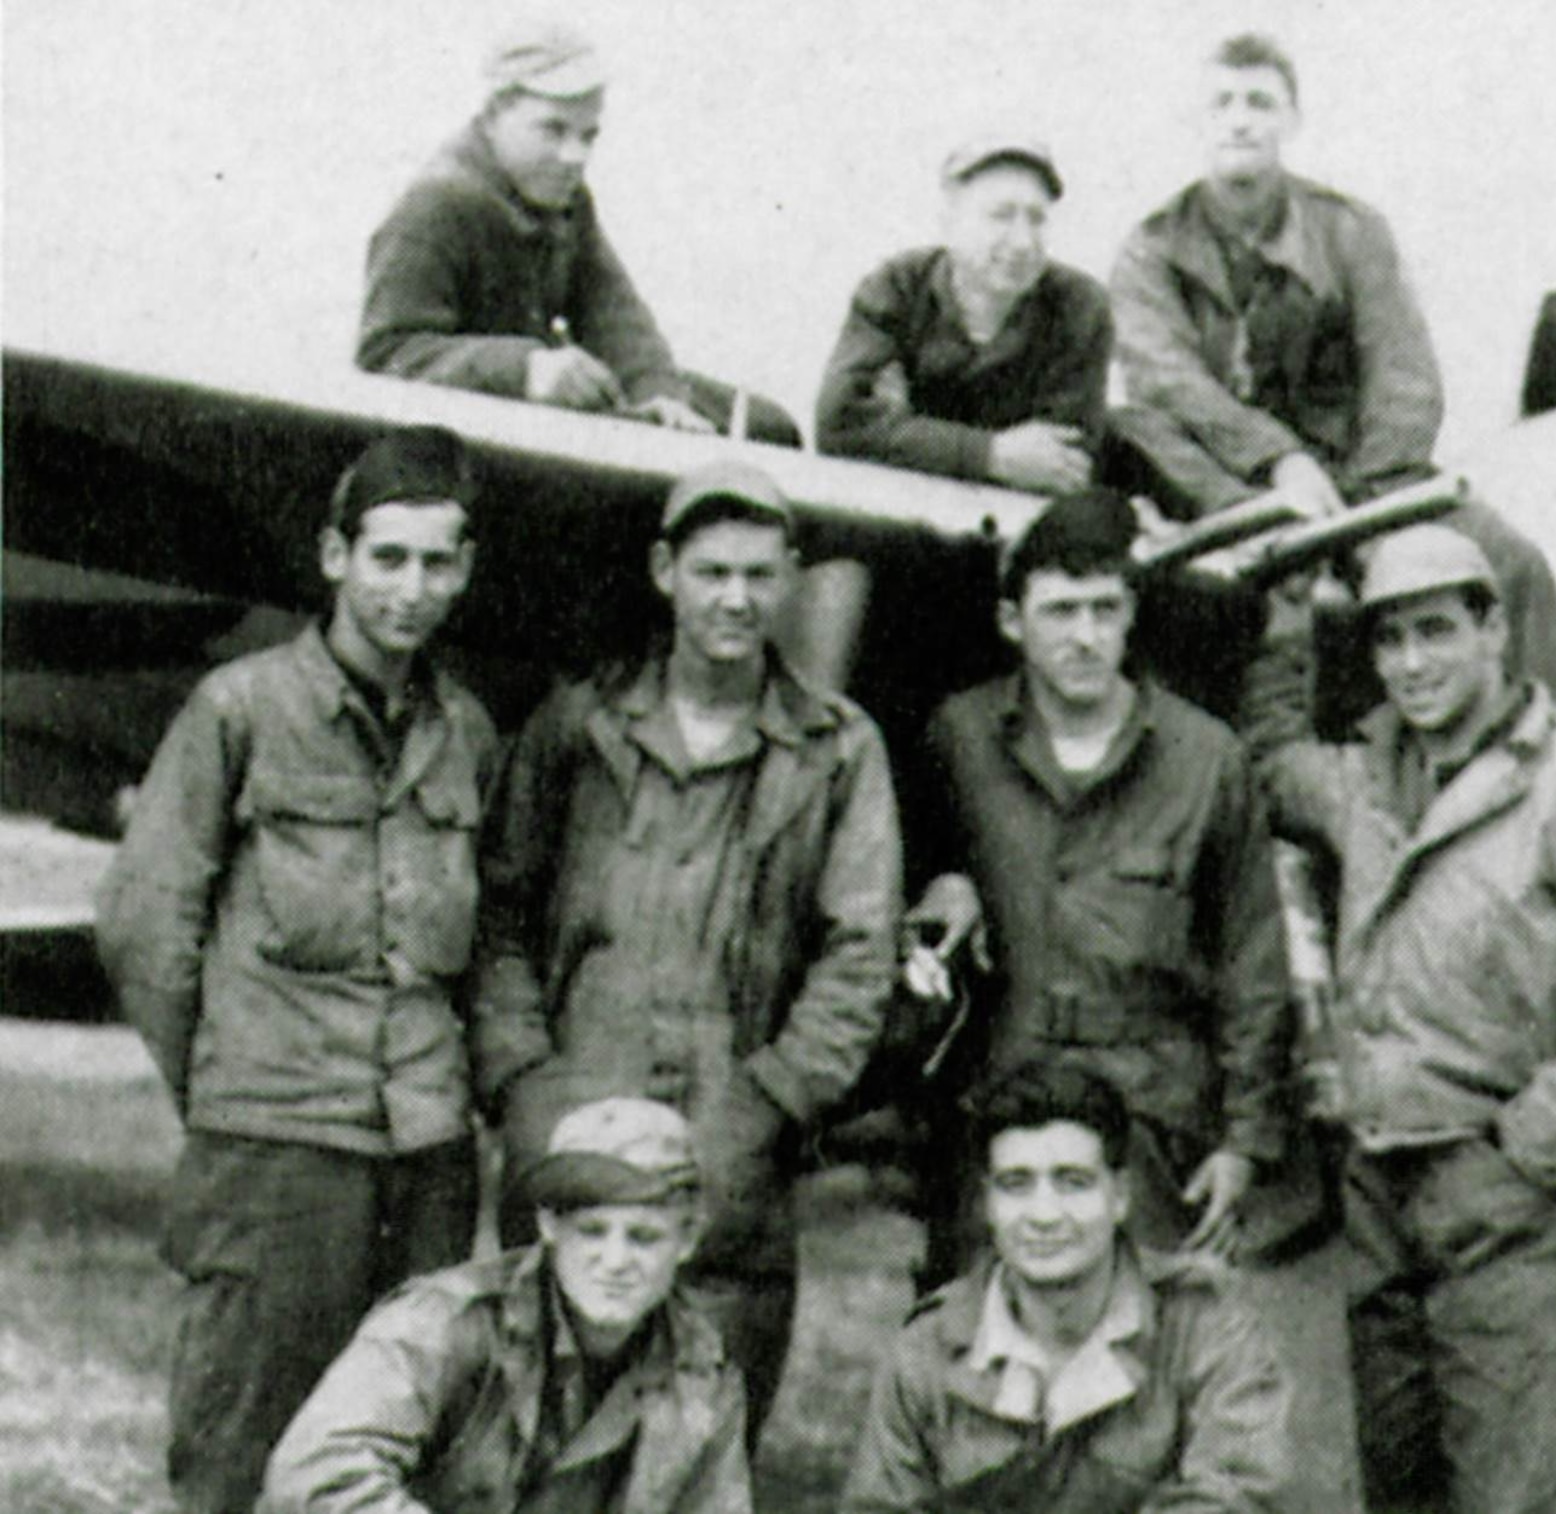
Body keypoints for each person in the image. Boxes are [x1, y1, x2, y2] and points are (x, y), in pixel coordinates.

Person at [1241, 523, 1556, 1513]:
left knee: (1507, 1497)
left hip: (1519, 1213)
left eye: (1434, 632)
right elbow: (1273, 761)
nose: (1408, 664)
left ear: (1493, 627)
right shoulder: (1362, 776)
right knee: (1395, 1485)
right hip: (1379, 1196)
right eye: (1387, 639)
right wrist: (1284, 628)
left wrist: (1521, 1151)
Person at [96, 427, 496, 1514]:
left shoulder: (465, 733)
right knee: (240, 1451)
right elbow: (145, 923)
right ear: (335, 555)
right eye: (388, 557)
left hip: (424, 1157)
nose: (412, 588)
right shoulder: (242, 708)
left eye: (438, 561)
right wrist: (230, 1086)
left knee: (402, 1453)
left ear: (463, 571)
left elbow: (476, 948)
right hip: (276, 1153)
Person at [471, 459, 901, 1444]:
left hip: (728, 1139)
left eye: (758, 574)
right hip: (573, 1108)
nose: (735, 598)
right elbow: (499, 915)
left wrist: (775, 1096)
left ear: (790, 577)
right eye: (712, 571)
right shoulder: (576, 727)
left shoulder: (837, 750)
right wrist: (523, 1081)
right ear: (665, 570)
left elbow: (857, 943)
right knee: (534, 1429)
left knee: (703, 1438)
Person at [1108, 32, 1556, 702]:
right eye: (1221, 102)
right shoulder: (1149, 251)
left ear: (1290, 119)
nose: (1240, 118)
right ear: (1196, 120)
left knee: (1512, 562)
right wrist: (1279, 465)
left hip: (1364, 484)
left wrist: (1357, 511)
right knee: (1136, 426)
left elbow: (1406, 382)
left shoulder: (1353, 231)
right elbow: (1167, 380)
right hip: (1230, 486)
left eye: (1259, 101)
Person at [901, 487, 1292, 1277]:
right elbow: (893, 888)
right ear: (1013, 622)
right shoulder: (960, 737)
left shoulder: (1207, 760)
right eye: (1061, 611)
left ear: (1131, 615)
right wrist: (941, 889)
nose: (1086, 637)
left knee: (1134, 1360)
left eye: (1105, 609)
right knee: (977, 1355)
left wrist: (1245, 1143)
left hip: (1147, 1124)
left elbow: (1254, 962)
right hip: (997, 1111)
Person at [260, 1097, 750, 1514]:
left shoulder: (702, 1371)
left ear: (686, 1240)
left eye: (644, 1237)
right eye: (592, 1232)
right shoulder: (444, 1320)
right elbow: (314, 1472)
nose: (615, 1261)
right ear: (549, 1226)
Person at [841, 1061, 1291, 1513]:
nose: (1044, 1215)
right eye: (1016, 1185)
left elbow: (1238, 1497)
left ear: (1120, 1196)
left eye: (1073, 1183)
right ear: (988, 1204)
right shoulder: (928, 1349)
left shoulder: (1205, 1325)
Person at [359, 20, 798, 444]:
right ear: (495, 115)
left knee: (766, 426)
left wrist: (659, 395)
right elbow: (385, 356)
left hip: (529, 410)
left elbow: (613, 314)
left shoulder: (564, 199)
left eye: (589, 136)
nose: (574, 155)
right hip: (467, 434)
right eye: (553, 130)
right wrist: (526, 370)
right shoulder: (437, 206)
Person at [816, 135, 1113, 494]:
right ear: (949, 222)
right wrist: (990, 454)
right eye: (1001, 216)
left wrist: (906, 434)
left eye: (1037, 219)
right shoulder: (896, 287)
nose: (1023, 241)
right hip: (897, 504)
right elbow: (840, 425)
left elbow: (1063, 463)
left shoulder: (1079, 306)